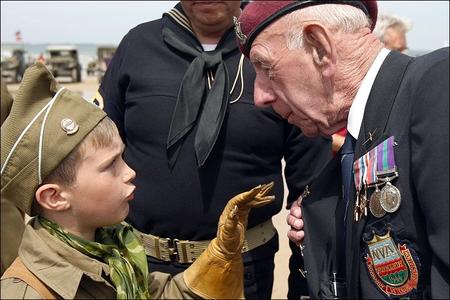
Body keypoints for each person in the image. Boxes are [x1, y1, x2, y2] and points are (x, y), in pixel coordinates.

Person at [96, 1, 331, 298]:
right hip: (141, 266)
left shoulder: (281, 53)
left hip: (244, 269)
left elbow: (312, 191)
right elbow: (97, 153)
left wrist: (306, 286)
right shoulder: (137, 47)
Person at [0, 63, 276, 299]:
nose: (130, 172)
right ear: (54, 197)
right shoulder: (28, 291)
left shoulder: (116, 253)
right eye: (110, 165)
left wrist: (220, 255)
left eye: (123, 157)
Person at [235, 0, 449, 299]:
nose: (260, 96)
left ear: (320, 47)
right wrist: (323, 222)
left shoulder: (438, 85)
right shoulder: (365, 133)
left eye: (266, 67)